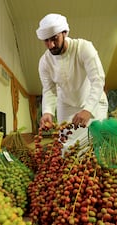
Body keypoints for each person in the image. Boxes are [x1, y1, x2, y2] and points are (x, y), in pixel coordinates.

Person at [36, 13, 108, 155]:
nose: (50, 45)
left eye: (54, 39)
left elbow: (98, 80)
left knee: (93, 143)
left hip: (93, 102)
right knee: (67, 146)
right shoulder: (44, 62)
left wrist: (88, 109)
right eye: (46, 41)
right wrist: (48, 112)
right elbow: (49, 89)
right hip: (67, 105)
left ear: (64, 33)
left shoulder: (84, 48)